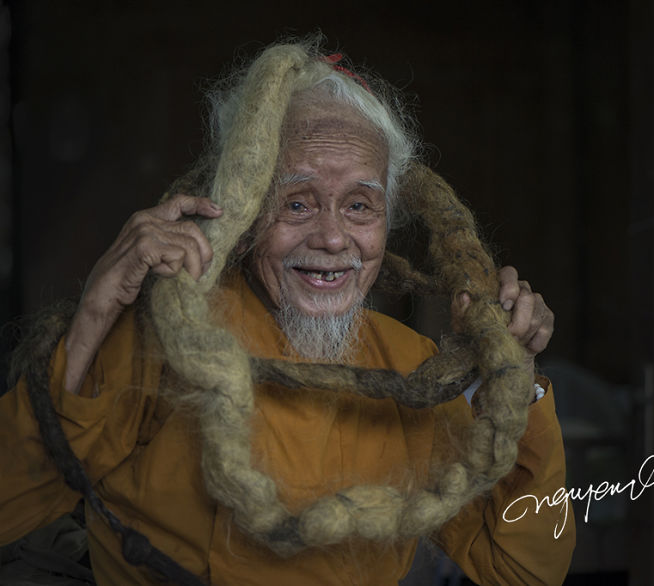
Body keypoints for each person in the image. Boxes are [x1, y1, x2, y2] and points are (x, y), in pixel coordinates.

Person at [0, 39, 574, 585]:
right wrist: (97, 313)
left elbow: (521, 570)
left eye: (359, 206)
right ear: (247, 215)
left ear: (385, 224)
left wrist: (514, 379)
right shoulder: (162, 342)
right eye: (296, 203)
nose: (331, 237)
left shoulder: (416, 375)